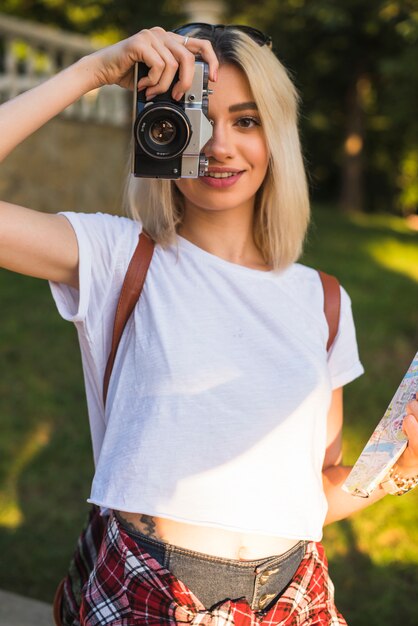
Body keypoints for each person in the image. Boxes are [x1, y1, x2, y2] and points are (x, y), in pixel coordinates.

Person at [1, 22, 418, 626]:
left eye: (246, 121)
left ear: (276, 136)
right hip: (145, 591)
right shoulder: (118, 257)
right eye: (196, 119)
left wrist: (398, 474)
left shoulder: (324, 299)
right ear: (159, 130)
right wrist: (95, 72)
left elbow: (310, 497)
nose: (220, 146)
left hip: (294, 598)